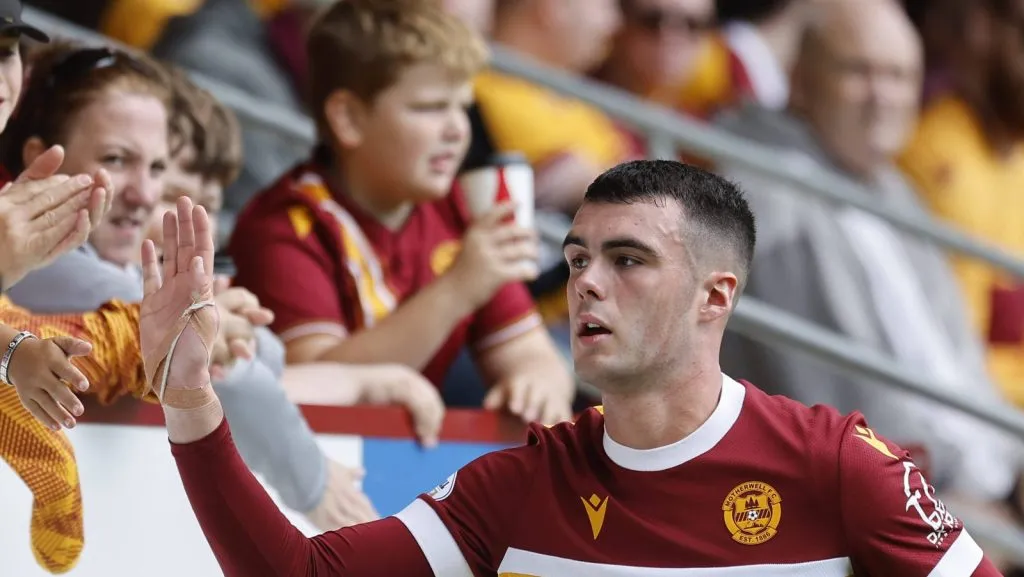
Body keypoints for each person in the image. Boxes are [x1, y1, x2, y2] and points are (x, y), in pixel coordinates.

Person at [150, 160, 999, 576]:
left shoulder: (839, 465)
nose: (587, 282)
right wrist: (188, 399)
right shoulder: (516, 488)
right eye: (578, 256)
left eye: (628, 259)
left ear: (716, 295)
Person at [1, 43, 394, 530]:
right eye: (117, 159)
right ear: (42, 159)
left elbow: (259, 353)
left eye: (159, 168)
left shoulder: (108, 266)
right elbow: (208, 360)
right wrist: (310, 479)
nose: (145, 194)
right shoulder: (39, 261)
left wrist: (218, 326)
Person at [715, 0, 1023, 516]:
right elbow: (838, 398)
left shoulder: (889, 184)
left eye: (900, 76)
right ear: (801, 81)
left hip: (979, 475)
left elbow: (957, 357)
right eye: (859, 71)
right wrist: (981, 489)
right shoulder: (767, 193)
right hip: (899, 496)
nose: (883, 96)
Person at [229, 0, 575, 426]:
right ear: (348, 118)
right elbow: (317, 388)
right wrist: (457, 289)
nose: (456, 130)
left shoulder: (455, 211)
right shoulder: (285, 226)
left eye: (463, 107)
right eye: (429, 107)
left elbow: (534, 357)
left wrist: (535, 386)